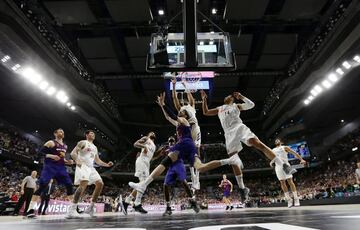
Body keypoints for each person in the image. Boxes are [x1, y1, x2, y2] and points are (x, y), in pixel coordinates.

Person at [128, 93, 232, 208]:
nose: (180, 111)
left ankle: (144, 184)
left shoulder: (184, 120)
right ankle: (228, 161)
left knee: (166, 162)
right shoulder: (179, 122)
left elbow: (172, 115)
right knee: (201, 167)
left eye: (182, 111)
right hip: (189, 146)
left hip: (185, 144)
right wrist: (162, 107)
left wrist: (164, 104)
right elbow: (168, 117)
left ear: (186, 115)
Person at [201, 90, 296, 203]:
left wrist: (241, 96)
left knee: (257, 143)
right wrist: (204, 99)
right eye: (228, 95)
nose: (229, 96)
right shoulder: (219, 108)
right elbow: (205, 112)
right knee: (233, 161)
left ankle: (284, 165)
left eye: (231, 96)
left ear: (232, 99)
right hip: (229, 134)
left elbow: (251, 105)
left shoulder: (237, 105)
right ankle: (242, 188)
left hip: (240, 128)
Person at [26, 128, 74, 218]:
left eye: (63, 132)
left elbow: (61, 159)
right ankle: (30, 210)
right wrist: (51, 155)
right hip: (49, 167)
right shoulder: (51, 142)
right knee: (43, 186)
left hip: (60, 168)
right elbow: (39, 153)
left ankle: (74, 209)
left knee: (69, 184)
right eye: (60, 131)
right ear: (55, 134)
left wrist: (68, 162)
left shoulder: (65, 146)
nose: (62, 133)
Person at [66, 130, 113, 218]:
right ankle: (72, 210)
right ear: (87, 135)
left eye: (94, 134)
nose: (93, 135)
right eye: (91, 133)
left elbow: (97, 161)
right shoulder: (83, 142)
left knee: (100, 183)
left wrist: (107, 164)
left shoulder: (94, 147)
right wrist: (77, 160)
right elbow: (73, 153)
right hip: (83, 165)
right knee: (83, 184)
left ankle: (90, 207)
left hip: (91, 167)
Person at [171, 77, 201, 191]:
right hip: (186, 130)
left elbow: (190, 96)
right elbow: (174, 97)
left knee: (196, 151)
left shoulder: (191, 106)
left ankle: (196, 179)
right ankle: (193, 178)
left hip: (195, 128)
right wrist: (174, 85)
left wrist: (184, 84)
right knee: (190, 152)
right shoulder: (180, 109)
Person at [120, 132, 157, 214]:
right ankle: (137, 204)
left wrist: (159, 155)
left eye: (154, 133)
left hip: (147, 163)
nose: (153, 133)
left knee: (142, 184)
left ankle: (126, 202)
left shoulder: (154, 146)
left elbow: (151, 158)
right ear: (148, 135)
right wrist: (144, 146)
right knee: (143, 183)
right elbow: (135, 144)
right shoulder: (146, 139)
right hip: (142, 160)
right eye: (151, 132)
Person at [162, 136, 199, 216]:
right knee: (165, 185)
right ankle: (168, 208)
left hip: (179, 164)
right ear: (168, 142)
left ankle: (193, 202)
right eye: (170, 141)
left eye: (172, 141)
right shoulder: (167, 149)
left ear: (175, 142)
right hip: (171, 167)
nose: (171, 142)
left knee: (183, 181)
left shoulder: (178, 145)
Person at [271, 138, 307, 207]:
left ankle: (296, 198)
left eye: (278, 139)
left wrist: (301, 159)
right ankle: (289, 199)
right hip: (278, 167)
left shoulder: (285, 147)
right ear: (275, 143)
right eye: (275, 140)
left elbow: (294, 153)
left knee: (290, 181)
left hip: (286, 165)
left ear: (281, 142)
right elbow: (272, 158)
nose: (277, 140)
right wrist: (271, 162)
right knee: (282, 182)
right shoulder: (273, 150)